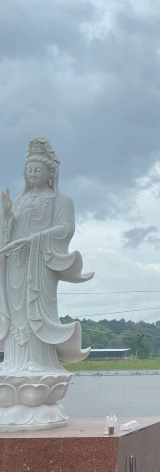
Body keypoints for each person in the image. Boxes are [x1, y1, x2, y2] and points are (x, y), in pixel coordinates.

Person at [0, 137, 93, 372]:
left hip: (41, 262)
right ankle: (15, 360)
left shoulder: (61, 200)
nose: (32, 174)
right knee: (16, 309)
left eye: (37, 169)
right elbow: (10, 233)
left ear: (50, 173)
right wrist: (8, 214)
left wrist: (35, 239)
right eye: (29, 170)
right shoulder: (20, 200)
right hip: (16, 264)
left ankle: (39, 360)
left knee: (36, 309)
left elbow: (65, 229)